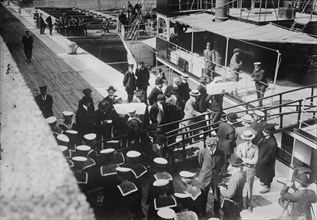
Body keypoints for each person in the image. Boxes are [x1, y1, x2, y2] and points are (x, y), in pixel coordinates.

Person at [197, 136, 225, 217]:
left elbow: (222, 163)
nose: (209, 148)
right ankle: (202, 211)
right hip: (205, 177)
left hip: (216, 177)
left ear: (215, 145)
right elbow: (200, 163)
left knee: (217, 196)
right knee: (203, 196)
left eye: (210, 146)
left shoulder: (221, 153)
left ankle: (216, 211)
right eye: (207, 146)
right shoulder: (202, 152)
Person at [236, 130, 258, 212]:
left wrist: (244, 160)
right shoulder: (240, 146)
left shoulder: (255, 148)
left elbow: (255, 161)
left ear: (251, 139)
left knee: (249, 188)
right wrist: (247, 161)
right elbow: (238, 159)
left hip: (250, 170)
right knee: (239, 187)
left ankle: (249, 204)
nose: (247, 141)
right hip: (241, 169)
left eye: (248, 139)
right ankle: (240, 204)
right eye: (245, 139)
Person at [219, 154, 246, 220]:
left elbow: (229, 194)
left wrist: (222, 188)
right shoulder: (242, 173)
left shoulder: (234, 178)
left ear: (231, 165)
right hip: (238, 202)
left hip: (231, 206)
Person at [255, 123, 277, 194]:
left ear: (269, 133)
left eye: (264, 131)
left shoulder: (272, 142)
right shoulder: (265, 138)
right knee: (262, 172)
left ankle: (267, 187)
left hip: (267, 162)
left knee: (267, 174)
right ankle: (264, 182)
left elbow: (270, 155)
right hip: (262, 158)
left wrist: (263, 161)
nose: (262, 132)